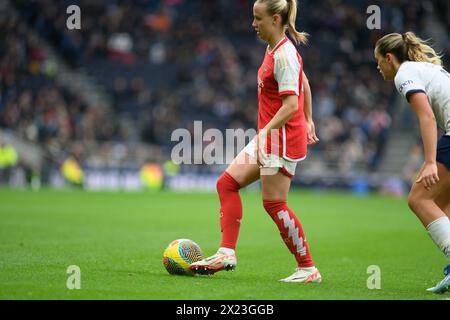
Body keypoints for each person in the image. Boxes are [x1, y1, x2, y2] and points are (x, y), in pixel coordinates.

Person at [190, 0, 321, 283]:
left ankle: (308, 269)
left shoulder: (284, 55)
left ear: (275, 19)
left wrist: (269, 132)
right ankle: (226, 252)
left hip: (281, 140)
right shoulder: (275, 48)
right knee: (226, 183)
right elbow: (304, 81)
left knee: (274, 204)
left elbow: (289, 105)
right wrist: (309, 118)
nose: (253, 24)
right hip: (271, 136)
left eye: (257, 18)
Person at [374, 31, 450, 294]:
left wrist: (430, 162)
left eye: (379, 61)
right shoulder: (423, 69)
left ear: (389, 58)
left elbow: (426, 117)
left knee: (419, 199)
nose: (378, 67)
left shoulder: (404, 73)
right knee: (441, 203)